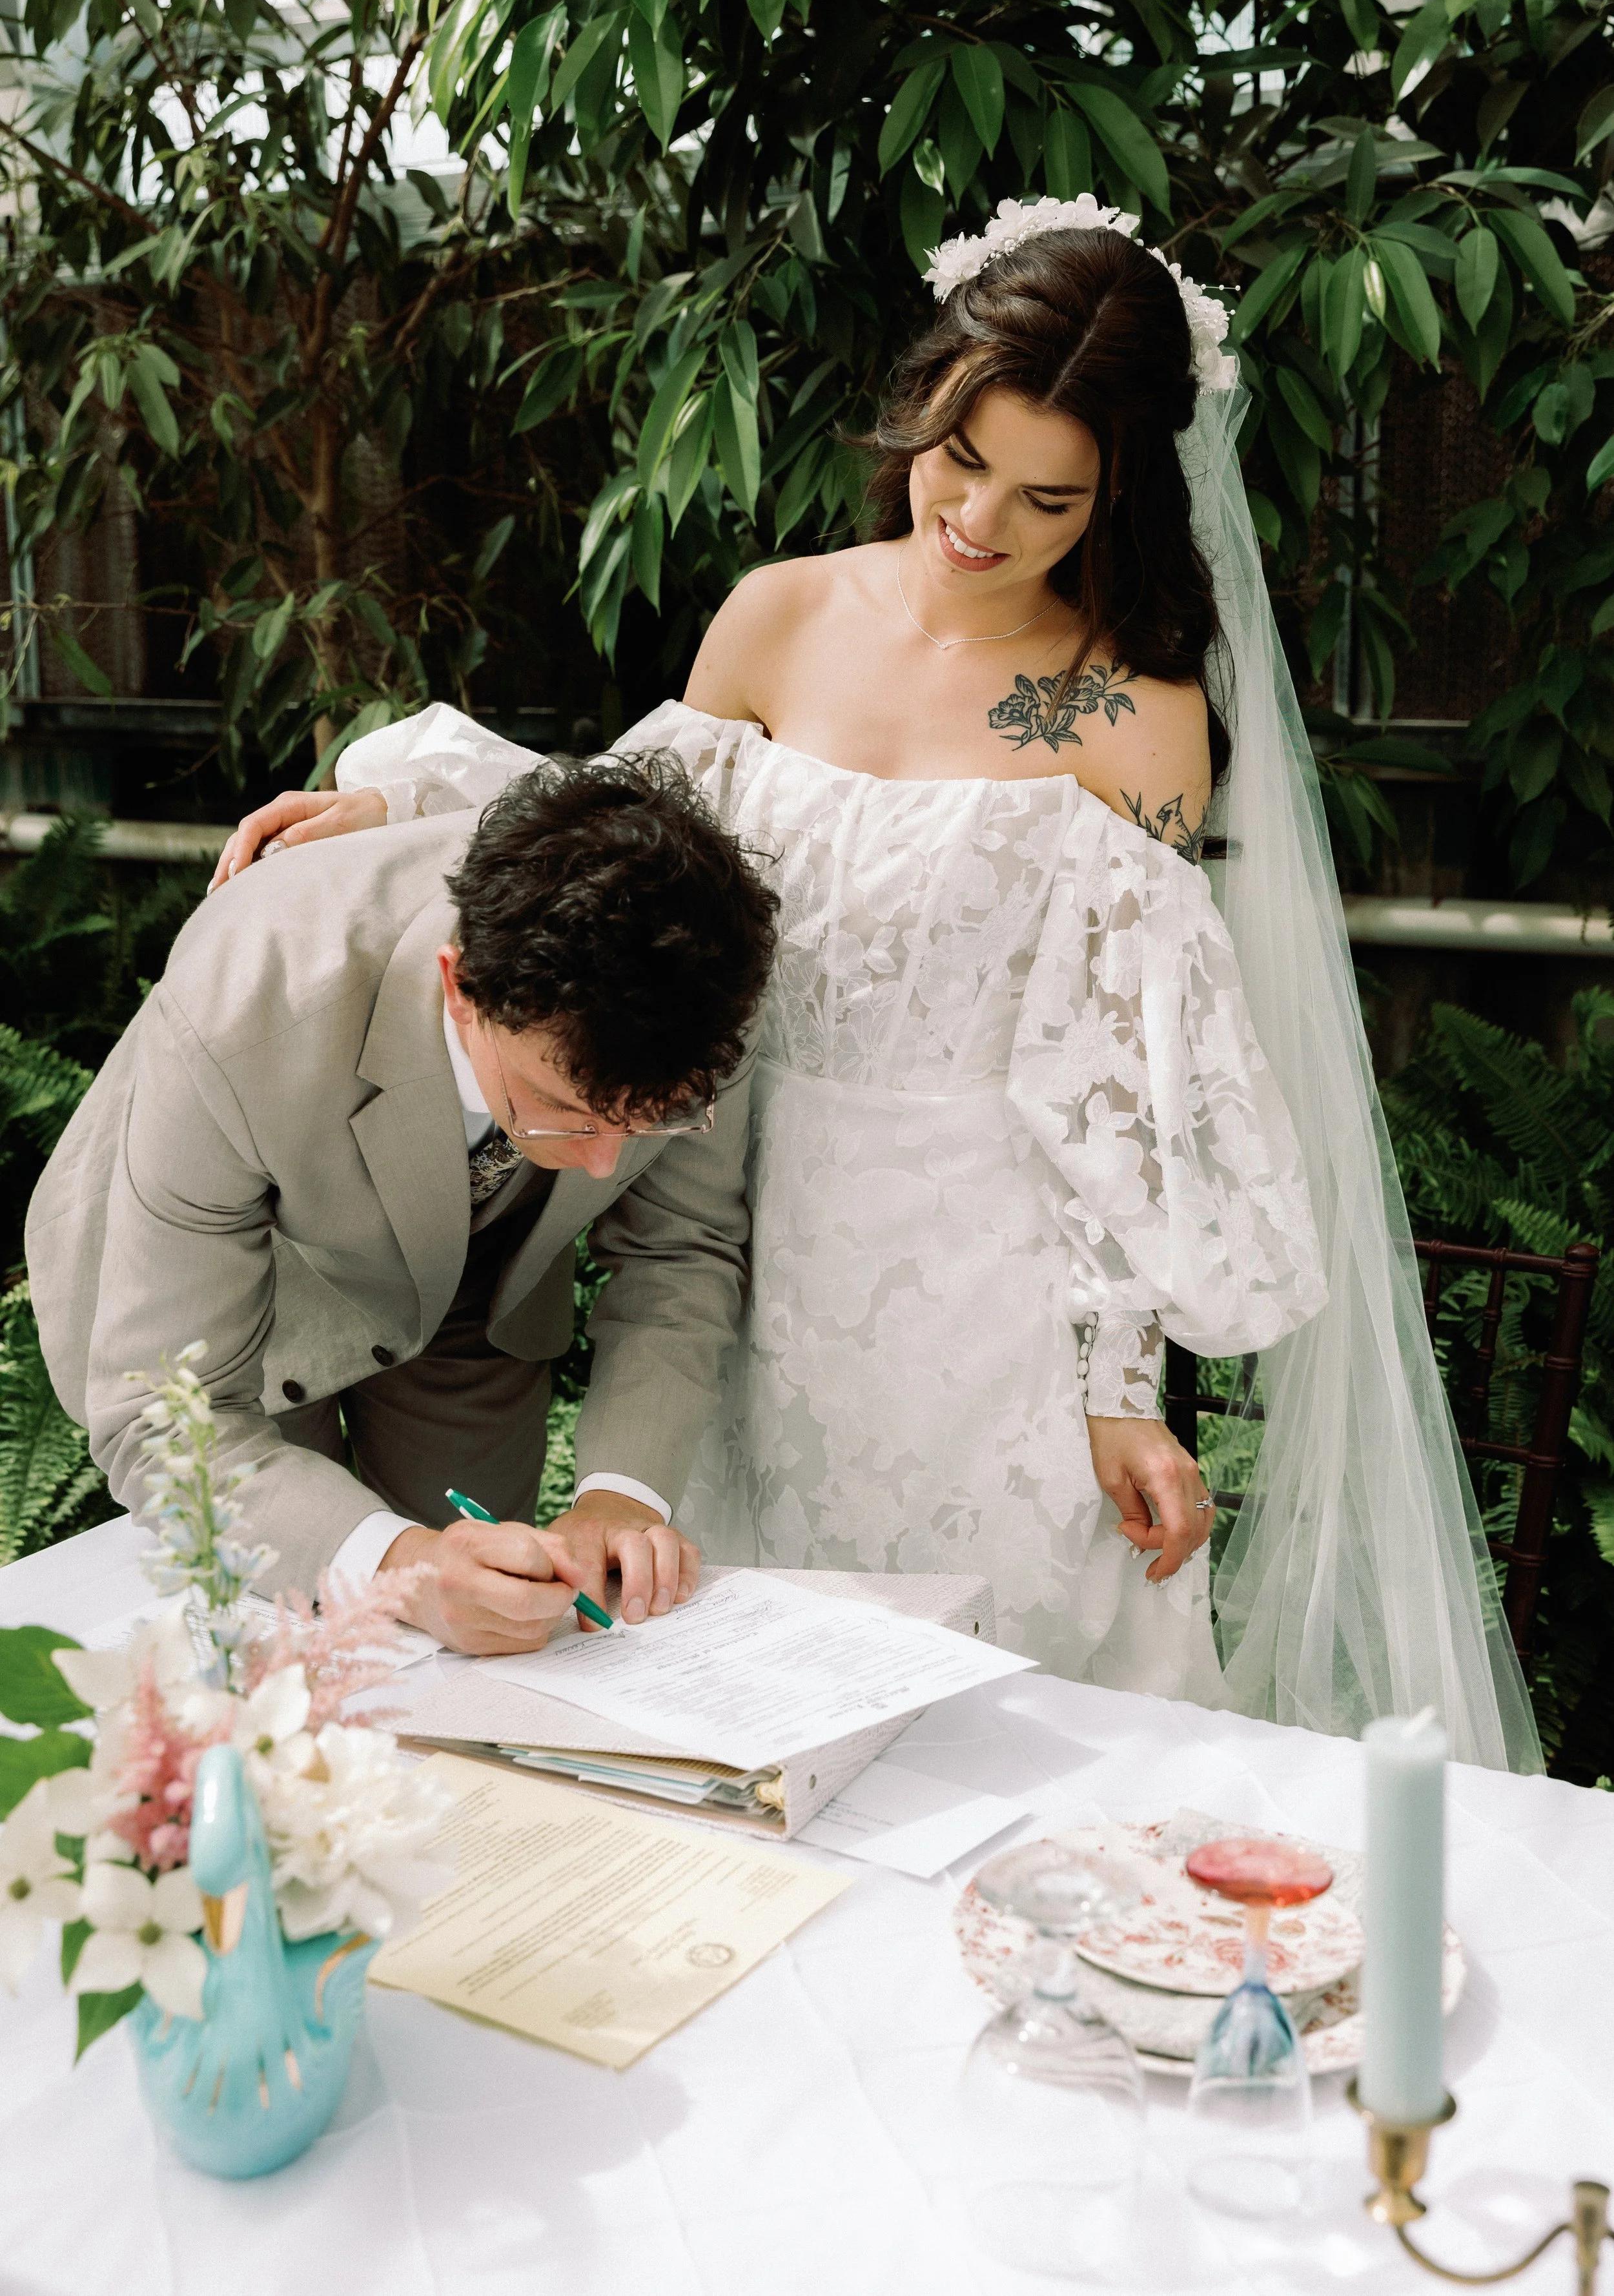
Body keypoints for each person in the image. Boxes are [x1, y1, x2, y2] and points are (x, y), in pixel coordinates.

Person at [214, 196, 1541, 1768]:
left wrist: (1118, 1391)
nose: (979, 518)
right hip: (735, 1245)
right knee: (732, 1715)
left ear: (1114, 500)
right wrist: (405, 803)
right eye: (956, 457)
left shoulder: (1131, 717)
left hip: (981, 1312)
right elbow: (632, 856)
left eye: (1045, 500)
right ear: (922, 405)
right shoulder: (780, 613)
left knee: (978, 1734)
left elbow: (1123, 1085)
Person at [28, 755, 779, 1656]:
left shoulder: (698, 985)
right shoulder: (244, 1008)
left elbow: (678, 1249)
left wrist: (621, 1496)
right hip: (257, 1289)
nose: (609, 1159)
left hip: (480, 1283)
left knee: (486, 1627)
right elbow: (168, 1418)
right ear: (461, 987)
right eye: (565, 1107)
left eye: (650, 1119)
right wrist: (398, 1566)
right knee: (286, 1619)